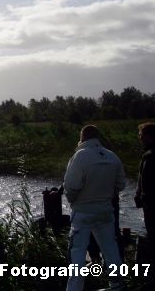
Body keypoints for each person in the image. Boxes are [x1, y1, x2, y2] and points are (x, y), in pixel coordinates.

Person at [63, 125, 126, 291]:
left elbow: (70, 186)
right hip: (105, 211)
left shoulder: (80, 157)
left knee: (77, 254)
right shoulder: (112, 157)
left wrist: (74, 201)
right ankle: (118, 285)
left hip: (83, 212)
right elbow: (121, 184)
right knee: (111, 250)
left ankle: (75, 288)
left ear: (82, 137)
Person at [134, 122, 155, 287]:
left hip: (154, 206)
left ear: (147, 137)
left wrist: (142, 198)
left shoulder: (150, 155)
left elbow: (147, 182)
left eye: (140, 136)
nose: (139, 139)